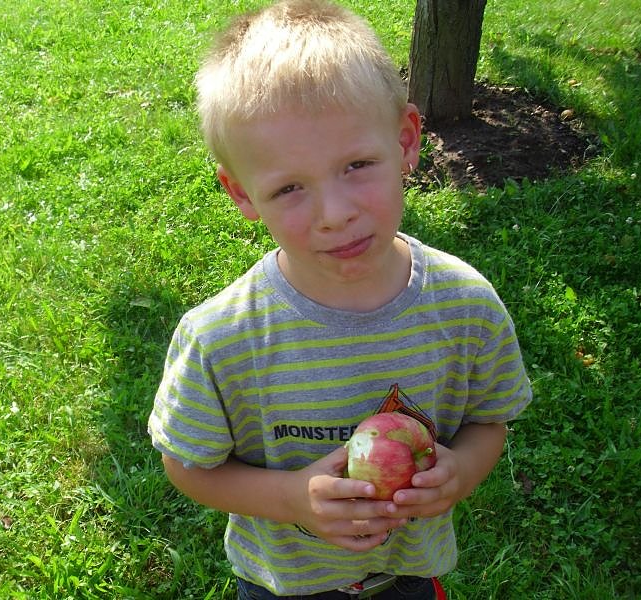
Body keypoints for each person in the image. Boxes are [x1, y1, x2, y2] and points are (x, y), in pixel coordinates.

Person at [147, 0, 532, 597]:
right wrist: (289, 498)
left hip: (408, 576)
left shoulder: (465, 304)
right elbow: (188, 463)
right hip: (284, 585)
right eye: (290, 188)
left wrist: (460, 472)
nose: (336, 214)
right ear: (241, 192)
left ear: (406, 142)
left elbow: (489, 419)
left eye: (357, 164)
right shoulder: (222, 336)